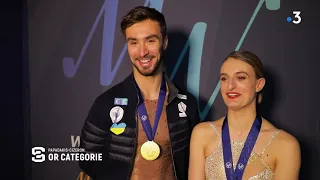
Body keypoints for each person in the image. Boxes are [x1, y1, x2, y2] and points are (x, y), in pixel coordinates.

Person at [79, 6, 200, 180]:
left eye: (150, 41)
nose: (142, 52)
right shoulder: (105, 103)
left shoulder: (187, 104)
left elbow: (195, 162)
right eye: (133, 42)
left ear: (164, 42)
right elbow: (86, 157)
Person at [188, 50, 301, 180]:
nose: (230, 86)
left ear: (259, 84)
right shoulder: (202, 134)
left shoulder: (285, 145)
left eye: (241, 78)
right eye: (224, 78)